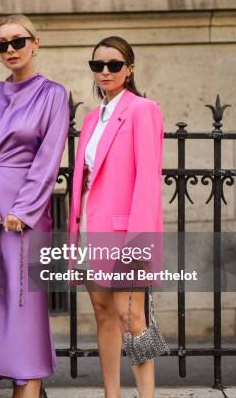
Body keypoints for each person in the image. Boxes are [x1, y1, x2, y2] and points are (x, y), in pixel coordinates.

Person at [0, 14, 69, 398]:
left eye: (18, 41)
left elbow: (48, 158)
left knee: (26, 301)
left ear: (35, 43)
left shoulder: (53, 94)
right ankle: (20, 382)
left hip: (25, 216)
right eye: (1, 44)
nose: (10, 49)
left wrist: (22, 211)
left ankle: (28, 385)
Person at [67, 36, 164, 398]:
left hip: (125, 233)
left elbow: (147, 181)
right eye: (98, 66)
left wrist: (138, 244)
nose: (105, 72)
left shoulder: (143, 109)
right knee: (104, 314)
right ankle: (112, 394)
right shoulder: (93, 118)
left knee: (132, 317)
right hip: (92, 227)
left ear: (130, 68)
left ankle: (147, 395)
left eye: (114, 65)